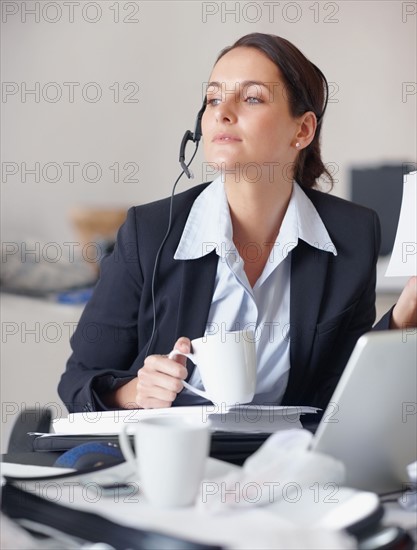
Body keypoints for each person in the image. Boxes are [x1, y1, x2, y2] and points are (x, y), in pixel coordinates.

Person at [58, 33, 417, 414]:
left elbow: (343, 391)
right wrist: (135, 392)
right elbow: (78, 380)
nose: (221, 112)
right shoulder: (148, 232)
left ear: (303, 130)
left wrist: (403, 316)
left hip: (283, 463)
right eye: (213, 98)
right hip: (172, 456)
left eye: (251, 98)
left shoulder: (351, 234)